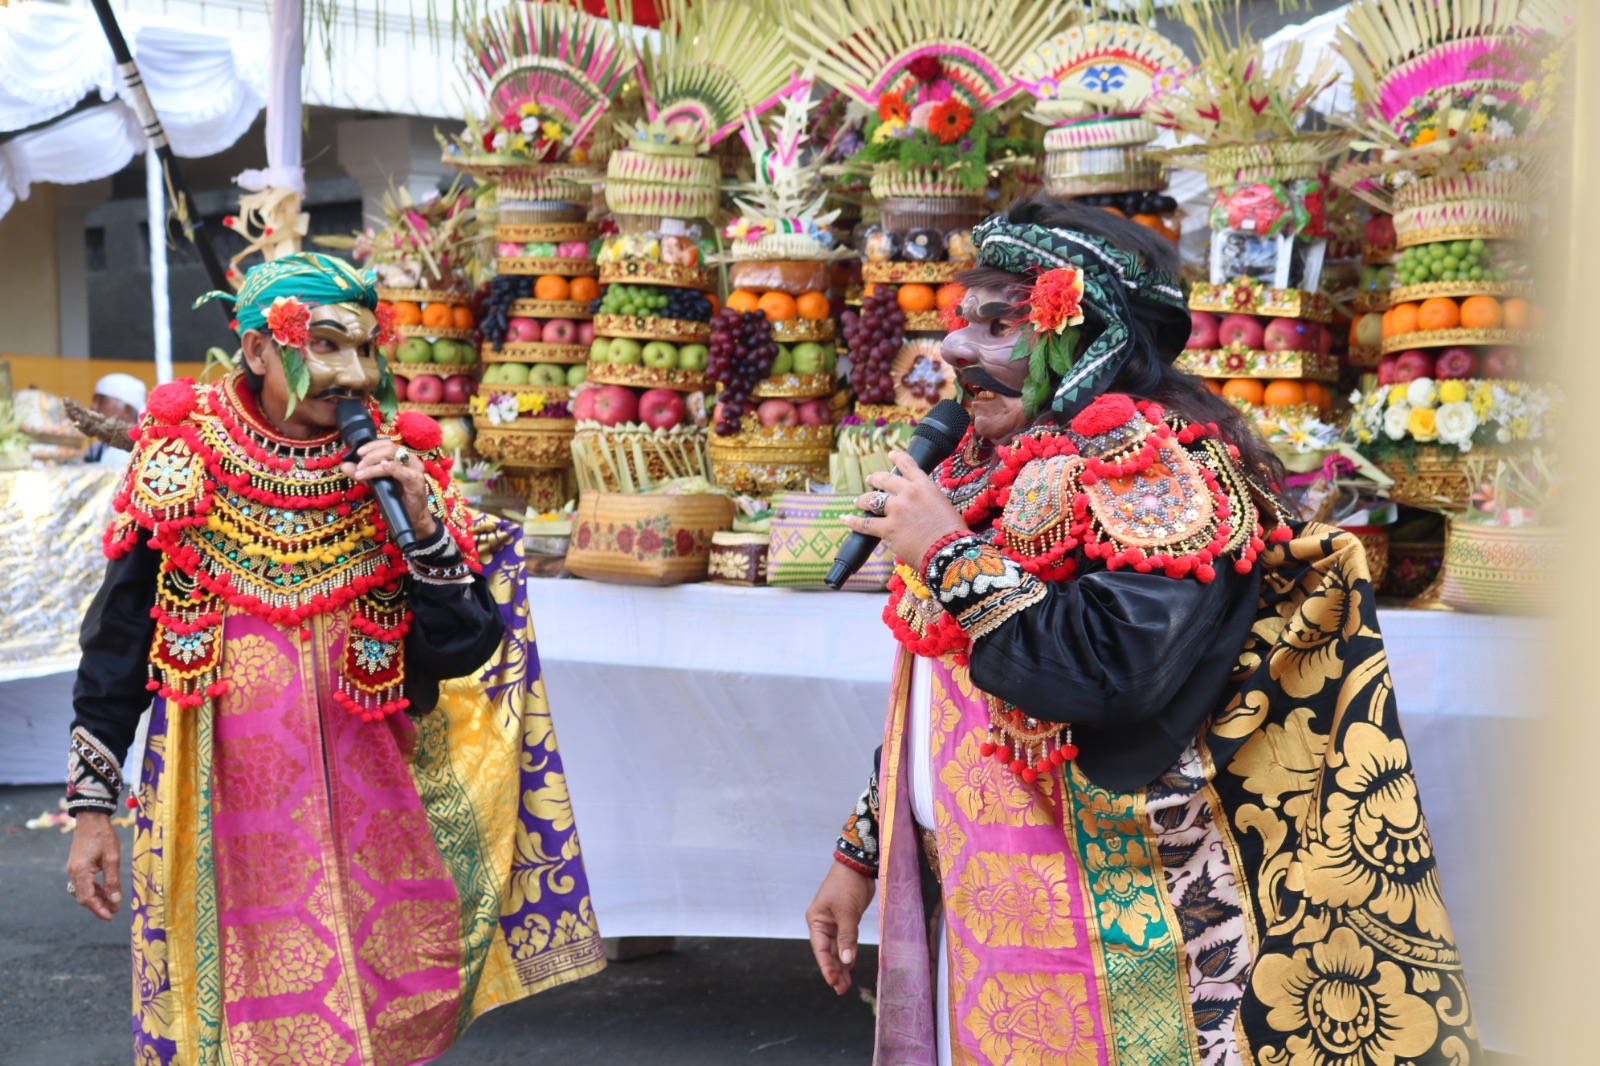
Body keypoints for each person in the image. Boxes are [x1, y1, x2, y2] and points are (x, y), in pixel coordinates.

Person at [806, 199, 1479, 1065]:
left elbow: (1105, 673)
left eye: (1000, 322)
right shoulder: (988, 468)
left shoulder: (1159, 468)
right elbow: (945, 689)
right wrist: (863, 851)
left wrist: (947, 551)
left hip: (1120, 941)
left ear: (1088, 335)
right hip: (988, 906)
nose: (954, 350)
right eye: (959, 321)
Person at [64, 252, 604, 1065]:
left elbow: (463, 648)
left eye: (363, 349)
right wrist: (90, 809)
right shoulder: (181, 457)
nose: (351, 374)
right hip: (221, 820)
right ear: (254, 350)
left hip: (376, 817)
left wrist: (422, 531)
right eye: (322, 347)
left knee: (383, 1024)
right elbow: (118, 643)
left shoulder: (398, 466)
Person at [85, 372, 147, 465]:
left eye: (102, 400)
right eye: (94, 400)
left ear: (128, 410)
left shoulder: (138, 453)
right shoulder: (95, 450)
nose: (93, 406)